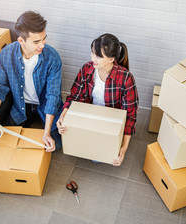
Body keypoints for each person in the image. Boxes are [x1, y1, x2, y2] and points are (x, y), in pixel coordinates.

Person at [0, 11, 63, 152]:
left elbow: (53, 96)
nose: (42, 45)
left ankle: (43, 126)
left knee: (56, 144)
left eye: (44, 39)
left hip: (44, 105)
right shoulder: (6, 54)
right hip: (21, 105)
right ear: (21, 40)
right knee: (5, 139)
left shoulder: (53, 58)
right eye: (36, 42)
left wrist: (46, 133)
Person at [57, 33, 138, 166]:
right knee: (72, 141)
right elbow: (74, 96)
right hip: (90, 114)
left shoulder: (126, 78)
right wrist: (63, 117)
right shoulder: (87, 69)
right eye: (92, 53)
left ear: (112, 59)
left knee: (97, 156)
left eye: (99, 56)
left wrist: (123, 148)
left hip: (110, 121)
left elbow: (130, 116)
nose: (93, 58)